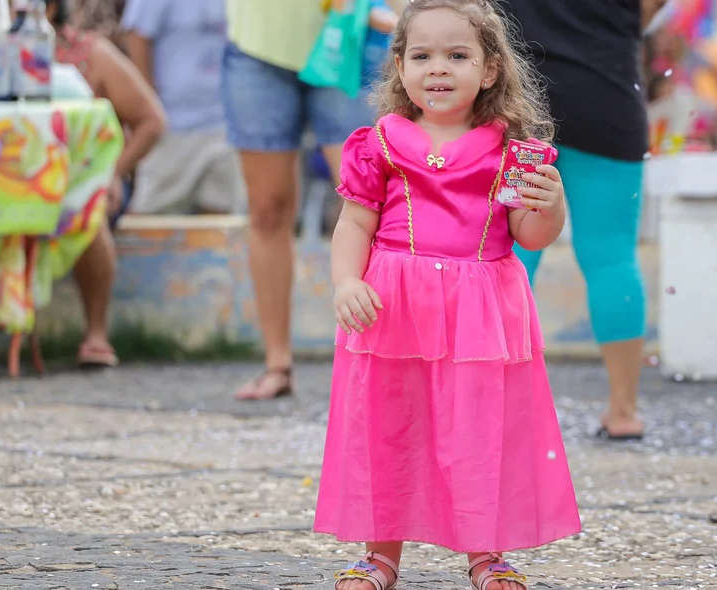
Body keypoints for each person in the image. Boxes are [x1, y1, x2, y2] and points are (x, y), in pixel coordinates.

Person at [314, 1, 581, 588]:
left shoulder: (510, 148)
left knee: (478, 431)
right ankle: (380, 554)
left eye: (457, 55)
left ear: (489, 70)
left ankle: (486, 553)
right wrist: (346, 282)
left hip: (478, 309)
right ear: (400, 67)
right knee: (390, 426)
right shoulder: (380, 142)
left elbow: (529, 236)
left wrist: (551, 203)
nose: (439, 68)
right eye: (422, 55)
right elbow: (354, 222)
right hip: (392, 306)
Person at [500, 0, 667, 440]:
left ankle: (505, 406)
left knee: (513, 255)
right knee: (612, 257)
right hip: (608, 95)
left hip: (523, 105)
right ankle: (624, 410)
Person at [222, 0, 380, 400]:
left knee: (373, 202)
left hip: (349, 33)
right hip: (258, 47)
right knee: (266, 208)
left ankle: (382, 363)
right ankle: (277, 365)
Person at [49, 0, 167, 367]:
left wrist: (113, 171)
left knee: (85, 206)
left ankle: (95, 333)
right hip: (13, 181)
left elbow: (152, 121)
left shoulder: (91, 54)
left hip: (95, 179)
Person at [121, 0, 245, 215]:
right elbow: (138, 36)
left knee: (221, 224)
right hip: (172, 127)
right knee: (151, 222)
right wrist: (149, 107)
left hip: (226, 125)